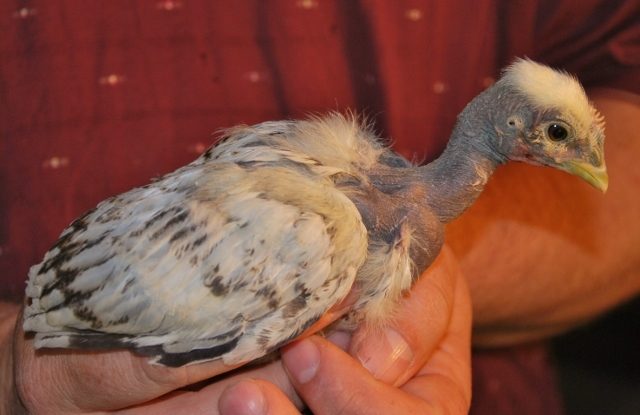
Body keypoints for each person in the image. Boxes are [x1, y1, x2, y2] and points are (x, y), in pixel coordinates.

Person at [1, 1, 638, 413]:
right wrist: (14, 376)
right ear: (510, 123)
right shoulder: (316, 235)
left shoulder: (387, 197)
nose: (583, 163)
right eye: (559, 136)